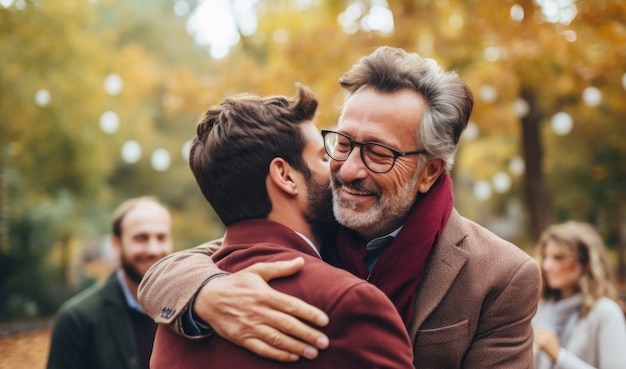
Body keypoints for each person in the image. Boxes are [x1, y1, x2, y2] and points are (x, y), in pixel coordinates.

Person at [139, 46, 541, 368]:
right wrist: (209, 291)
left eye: (379, 153)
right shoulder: (316, 216)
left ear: (429, 172)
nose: (347, 170)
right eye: (343, 143)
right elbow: (176, 268)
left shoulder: (501, 276)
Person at [149, 85, 414, 368]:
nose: (341, 170)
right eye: (324, 158)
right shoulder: (350, 303)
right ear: (285, 176)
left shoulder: (175, 323)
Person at [46, 197, 173, 369]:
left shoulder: (189, 311)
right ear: (116, 244)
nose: (153, 249)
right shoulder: (76, 320)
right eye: (141, 238)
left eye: (161, 237)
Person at [532, 221, 626, 369]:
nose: (547, 266)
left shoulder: (606, 312)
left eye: (559, 257)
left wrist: (559, 356)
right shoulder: (538, 308)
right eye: (545, 257)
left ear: (585, 263)